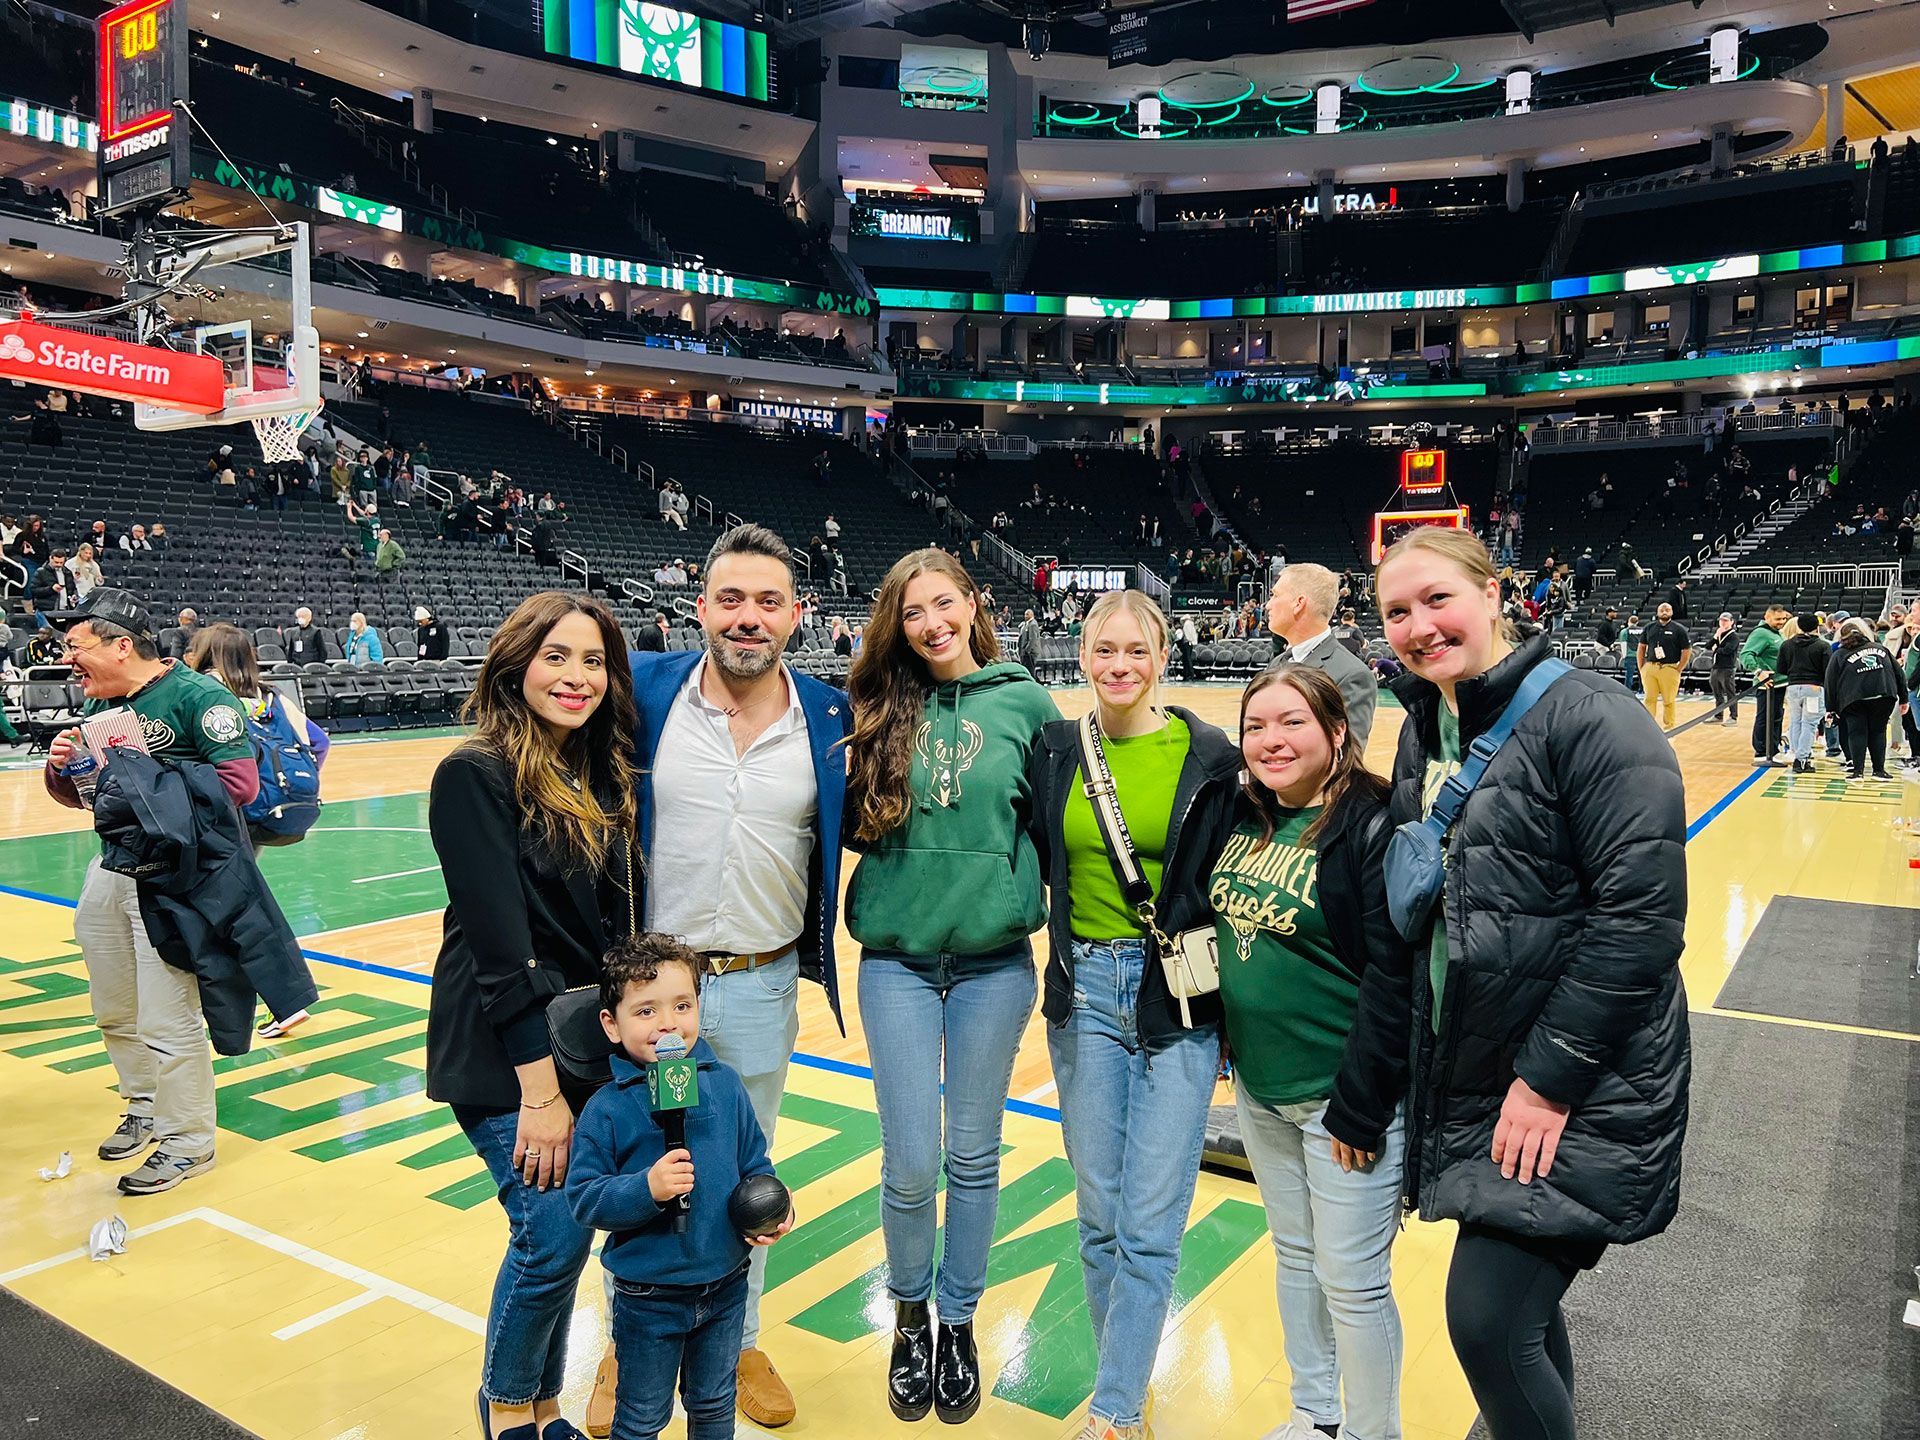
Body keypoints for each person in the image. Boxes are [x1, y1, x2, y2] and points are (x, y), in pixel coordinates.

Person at [1375, 528, 1688, 1440]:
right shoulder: (1423, 727)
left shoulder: (1592, 716)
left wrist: (1548, 1082)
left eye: (1438, 599)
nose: (1420, 627)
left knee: (1488, 1317)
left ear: (1495, 591)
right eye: (1398, 611)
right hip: (1479, 1068)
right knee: (1524, 1316)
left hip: (1571, 1076)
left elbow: (1640, 921)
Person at [609, 524, 851, 1432]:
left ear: (797, 614)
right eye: (731, 599)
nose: (748, 618)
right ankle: (626, 1343)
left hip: (757, 984)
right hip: (653, 997)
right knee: (645, 1162)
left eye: (768, 602)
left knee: (743, 1171)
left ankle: (740, 1336)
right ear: (699, 604)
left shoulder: (829, 716)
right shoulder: (645, 689)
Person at [844, 549, 1057, 1425]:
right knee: (910, 1162)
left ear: (973, 603)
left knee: (974, 1156)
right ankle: (907, 1317)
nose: (932, 625)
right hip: (894, 960)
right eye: (913, 613)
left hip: (992, 965)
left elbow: (1056, 829)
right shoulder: (874, 706)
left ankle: (960, 1320)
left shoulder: (1027, 704)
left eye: (944, 604)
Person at [425, 591, 639, 1440]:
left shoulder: (601, 775)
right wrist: (541, 1097)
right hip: (503, 1049)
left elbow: (619, 935)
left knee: (569, 1231)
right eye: (556, 656)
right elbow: (500, 955)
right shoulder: (473, 775)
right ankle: (508, 1404)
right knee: (550, 1228)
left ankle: (546, 1402)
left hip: (583, 1045)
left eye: (592, 661)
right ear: (515, 664)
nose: (576, 676)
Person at [1027, 592, 1240, 1440]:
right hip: (1085, 998)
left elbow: (1230, 883)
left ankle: (1112, 1413)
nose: (1120, 665)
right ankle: (1129, 1387)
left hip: (1177, 997)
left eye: (1136, 650)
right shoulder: (1055, 749)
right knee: (1100, 1215)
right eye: (1103, 650)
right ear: (1083, 655)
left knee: (1150, 1223)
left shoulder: (1210, 754)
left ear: (1161, 655)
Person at [1215, 663, 1413, 1440]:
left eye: (1292, 722)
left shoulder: (1372, 822)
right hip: (1264, 1092)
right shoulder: (1245, 814)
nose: (1271, 740)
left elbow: (1394, 978)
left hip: (1345, 1101)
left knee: (1354, 1285)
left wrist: (1362, 1108)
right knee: (1296, 1259)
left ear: (1337, 731)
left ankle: (1373, 1434)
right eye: (1256, 726)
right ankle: (1316, 1416)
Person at [43, 588, 260, 1195]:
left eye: (75, 647)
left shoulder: (198, 696)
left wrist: (142, 772)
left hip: (178, 878)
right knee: (114, 1004)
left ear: (121, 645)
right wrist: (67, 768)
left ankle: (189, 1141)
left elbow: (239, 785)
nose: (67, 660)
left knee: (168, 1015)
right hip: (114, 867)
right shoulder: (104, 710)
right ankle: (142, 1104)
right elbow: (86, 801)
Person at [567, 934, 794, 1440]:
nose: (668, 1023)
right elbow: (584, 1198)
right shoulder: (607, 1108)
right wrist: (646, 1187)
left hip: (726, 1283)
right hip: (648, 1298)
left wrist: (772, 1207)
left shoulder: (725, 1084)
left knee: (714, 1406)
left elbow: (755, 1162)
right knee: (643, 1415)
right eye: (645, 1011)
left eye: (682, 1005)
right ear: (612, 1023)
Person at [186, 623, 330, 870]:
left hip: (215, 813)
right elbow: (320, 742)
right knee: (242, 878)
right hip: (262, 808)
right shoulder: (272, 696)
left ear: (205, 654)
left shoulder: (201, 691)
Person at [1264, 563, 1378, 751]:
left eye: (1275, 595)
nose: (1268, 604)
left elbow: (1347, 760)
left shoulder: (1352, 675)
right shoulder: (1278, 663)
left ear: (1298, 603)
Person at [1824, 617, 1904, 780]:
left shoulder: (1839, 654)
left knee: (1857, 733)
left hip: (1854, 698)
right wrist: (1904, 698)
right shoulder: (1880, 648)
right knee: (1878, 731)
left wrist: (1830, 708)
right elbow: (1899, 674)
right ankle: (1879, 771)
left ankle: (1858, 771)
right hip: (1883, 695)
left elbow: (1830, 683)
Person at [1777, 615, 1830, 774]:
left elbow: (1781, 669)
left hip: (1793, 687)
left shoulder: (1787, 645)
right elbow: (1828, 670)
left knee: (1795, 721)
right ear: (1817, 627)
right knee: (1809, 724)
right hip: (1813, 688)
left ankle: (1797, 755)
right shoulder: (1822, 645)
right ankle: (1801, 759)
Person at [1739, 606, 1789, 763]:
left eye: (1783, 619)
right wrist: (1758, 671)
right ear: (1767, 617)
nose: (1781, 622)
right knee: (1765, 718)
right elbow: (1746, 654)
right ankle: (1761, 751)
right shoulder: (1760, 633)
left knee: (1776, 717)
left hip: (1780, 683)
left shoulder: (1776, 633)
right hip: (1767, 686)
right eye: (1777, 619)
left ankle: (1773, 749)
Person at [1636, 602, 1690, 729]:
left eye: (1667, 609)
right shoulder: (1649, 628)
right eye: (1662, 609)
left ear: (1671, 612)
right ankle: (1648, 726)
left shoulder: (1679, 629)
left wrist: (1679, 668)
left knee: (1669, 700)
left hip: (1669, 668)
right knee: (1649, 699)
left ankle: (1669, 726)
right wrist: (1641, 667)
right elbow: (1641, 647)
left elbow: (1687, 650)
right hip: (1650, 667)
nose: (1664, 611)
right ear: (1657, 612)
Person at [1706, 613, 1741, 725]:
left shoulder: (1733, 636)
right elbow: (1707, 646)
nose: (1723, 622)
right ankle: (1718, 715)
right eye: (1721, 620)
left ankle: (1733, 716)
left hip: (1727, 668)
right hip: (1716, 667)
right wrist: (1715, 637)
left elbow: (1727, 650)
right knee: (1717, 693)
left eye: (1725, 620)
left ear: (1732, 622)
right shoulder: (1719, 635)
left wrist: (1716, 648)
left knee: (1730, 693)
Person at [1017, 607, 1043, 676]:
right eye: (1025, 614)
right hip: (1025, 651)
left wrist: (1027, 650)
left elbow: (1032, 639)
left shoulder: (1033, 624)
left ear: (1032, 615)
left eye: (1027, 614)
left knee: (1030, 669)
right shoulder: (1026, 624)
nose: (1025, 616)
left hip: (1030, 652)